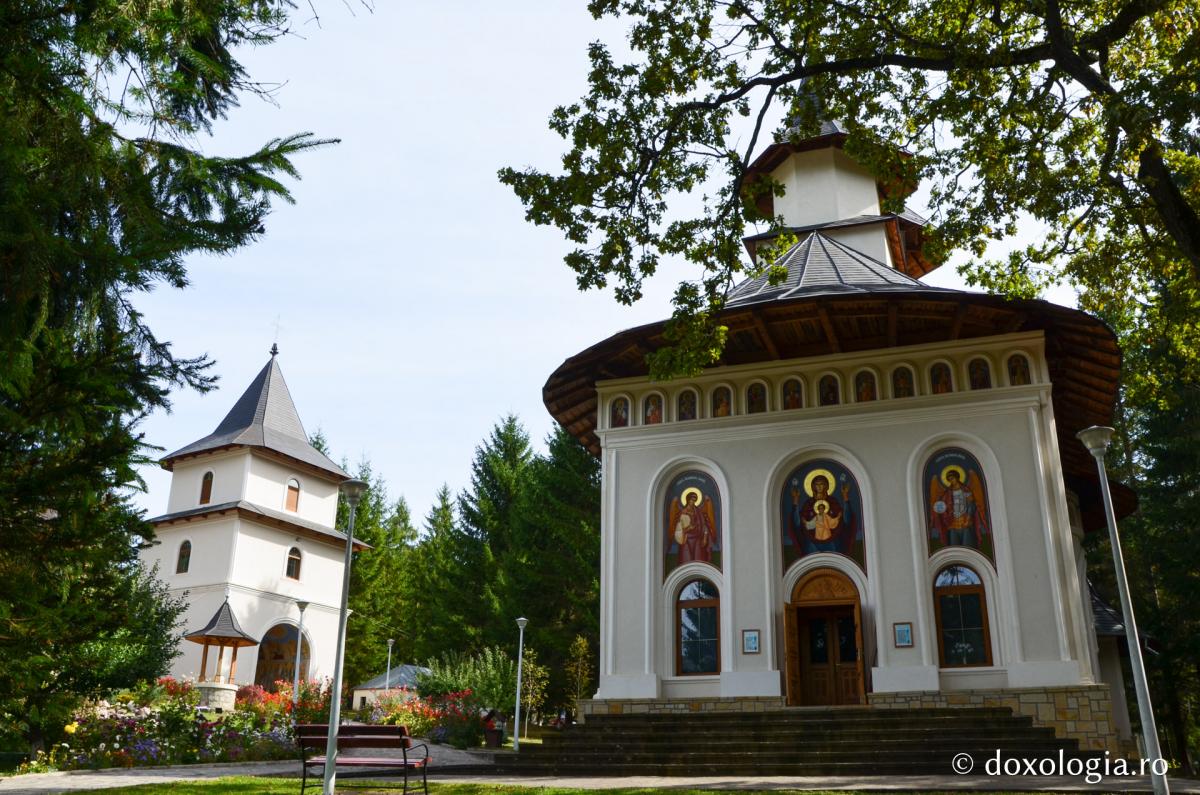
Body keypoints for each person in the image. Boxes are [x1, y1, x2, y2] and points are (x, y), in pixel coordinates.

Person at [930, 468, 989, 548]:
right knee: (955, 546)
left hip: (965, 520)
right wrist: (941, 512)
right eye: (949, 479)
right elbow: (942, 507)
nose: (951, 481)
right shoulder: (947, 493)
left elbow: (971, 504)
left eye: (952, 478)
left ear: (957, 477)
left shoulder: (965, 490)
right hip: (952, 522)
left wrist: (968, 518)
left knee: (968, 545)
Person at [672, 490, 714, 563]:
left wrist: (704, 538)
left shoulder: (698, 512)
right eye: (692, 500)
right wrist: (688, 528)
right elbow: (678, 530)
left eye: (695, 500)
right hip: (686, 540)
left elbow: (704, 526)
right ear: (688, 500)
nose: (693, 502)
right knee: (686, 561)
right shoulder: (683, 512)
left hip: (697, 539)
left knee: (699, 560)